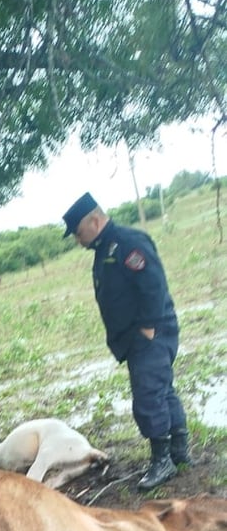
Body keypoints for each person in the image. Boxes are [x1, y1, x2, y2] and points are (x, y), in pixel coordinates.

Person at [62, 191, 191, 490]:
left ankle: (163, 462)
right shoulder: (106, 246)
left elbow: (153, 286)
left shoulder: (128, 242)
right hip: (138, 336)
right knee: (162, 391)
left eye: (79, 232)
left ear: (94, 220)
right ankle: (179, 451)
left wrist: (147, 328)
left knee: (148, 397)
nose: (78, 240)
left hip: (150, 333)